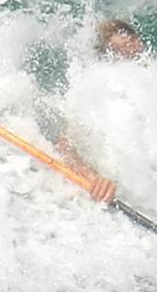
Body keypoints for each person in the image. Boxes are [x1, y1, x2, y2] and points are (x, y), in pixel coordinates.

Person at [52, 18, 144, 206]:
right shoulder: (99, 86)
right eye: (120, 49)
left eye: (132, 40)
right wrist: (92, 177)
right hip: (118, 187)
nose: (133, 46)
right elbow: (64, 146)